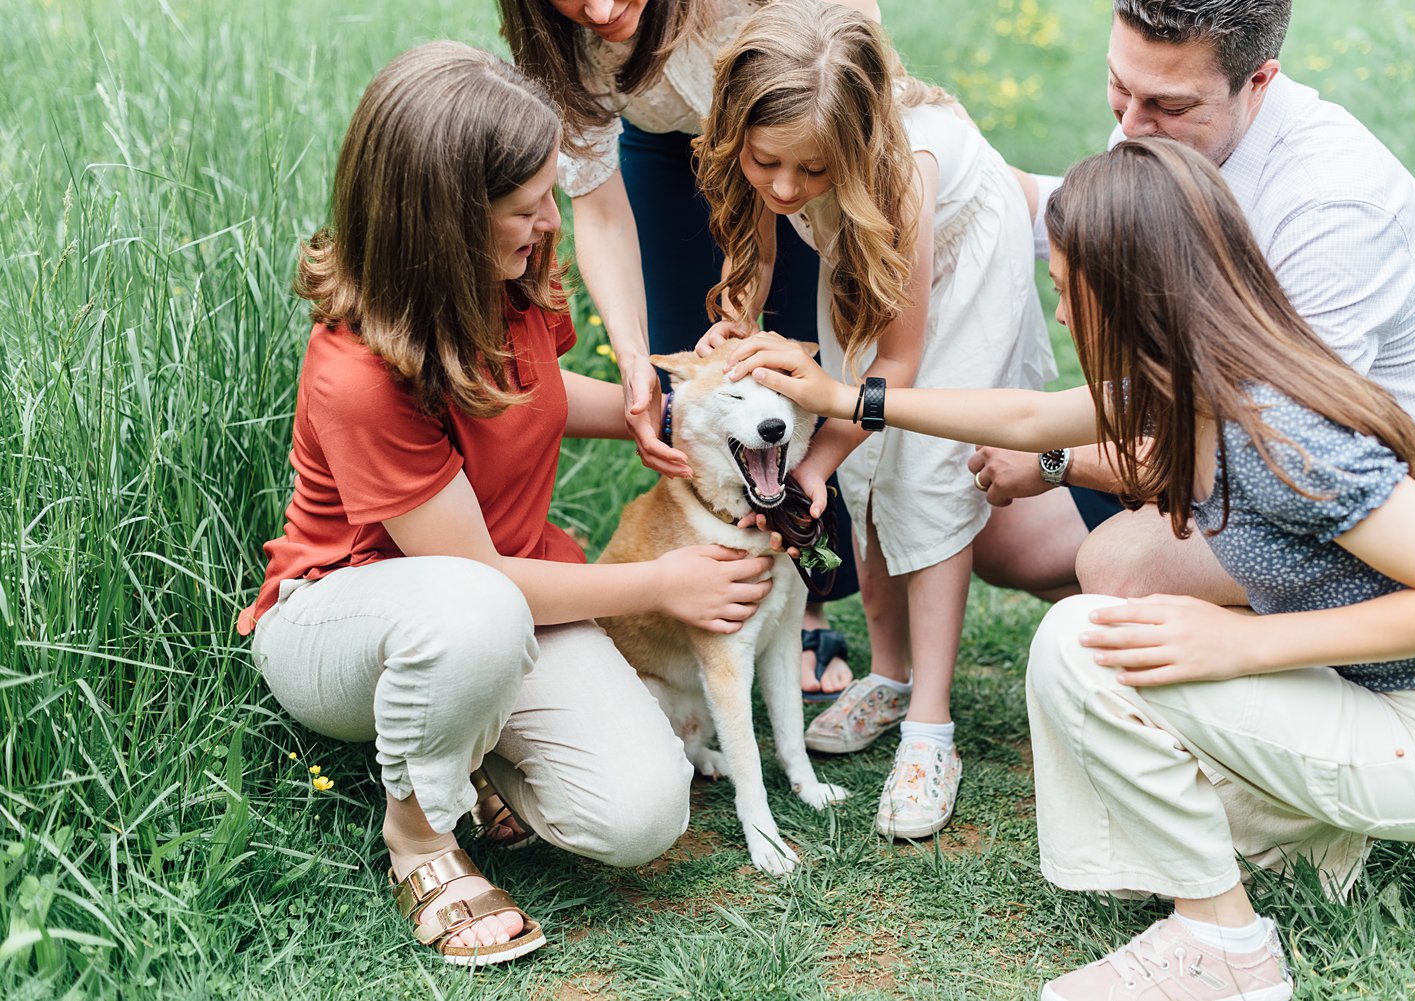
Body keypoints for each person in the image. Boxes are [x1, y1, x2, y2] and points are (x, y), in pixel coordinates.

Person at [723, 136, 1415, 1001]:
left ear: (1131, 295)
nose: (1059, 318)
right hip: (1373, 701)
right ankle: (1308, 846)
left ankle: (1225, 950)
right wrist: (844, 396)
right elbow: (1027, 415)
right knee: (1119, 635)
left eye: (1065, 291)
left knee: (1081, 646)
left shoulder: (1285, 432)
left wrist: (1240, 646)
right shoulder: (1197, 383)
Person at [237, 42, 776, 966]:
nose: (547, 220)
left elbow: (535, 390)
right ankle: (419, 836)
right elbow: (474, 578)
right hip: (351, 621)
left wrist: (679, 411)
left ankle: (469, 745)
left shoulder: (508, 278)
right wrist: (663, 582)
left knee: (643, 811)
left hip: (499, 609)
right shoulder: (359, 375)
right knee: (475, 613)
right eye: (524, 205)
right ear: (443, 223)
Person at [971, 0, 1415, 604]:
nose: (1132, 127)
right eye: (1119, 86)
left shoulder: (1336, 213)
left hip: (1366, 509)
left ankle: (1310, 660)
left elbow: (1264, 454)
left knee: (1123, 566)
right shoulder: (1167, 119)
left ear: (1259, 81)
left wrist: (1056, 461)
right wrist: (963, 172)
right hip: (1207, 431)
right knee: (1005, 536)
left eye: (1171, 105)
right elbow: (1093, 228)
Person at [693, 0, 1056, 838]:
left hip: (955, 262)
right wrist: (739, 320)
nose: (784, 188)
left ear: (852, 150)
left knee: (924, 466)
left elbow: (898, 371)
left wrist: (811, 460)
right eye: (765, 162)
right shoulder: (783, 151)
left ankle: (932, 727)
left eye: (809, 171)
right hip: (855, 243)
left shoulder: (904, 174)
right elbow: (759, 241)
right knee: (862, 470)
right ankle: (889, 676)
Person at [497, 0, 876, 700]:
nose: (603, 10)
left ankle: (807, 601)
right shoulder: (557, 44)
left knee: (793, 357)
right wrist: (634, 353)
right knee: (700, 370)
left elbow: (847, 36)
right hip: (662, 137)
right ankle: (716, 593)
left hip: (791, 129)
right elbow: (602, 213)